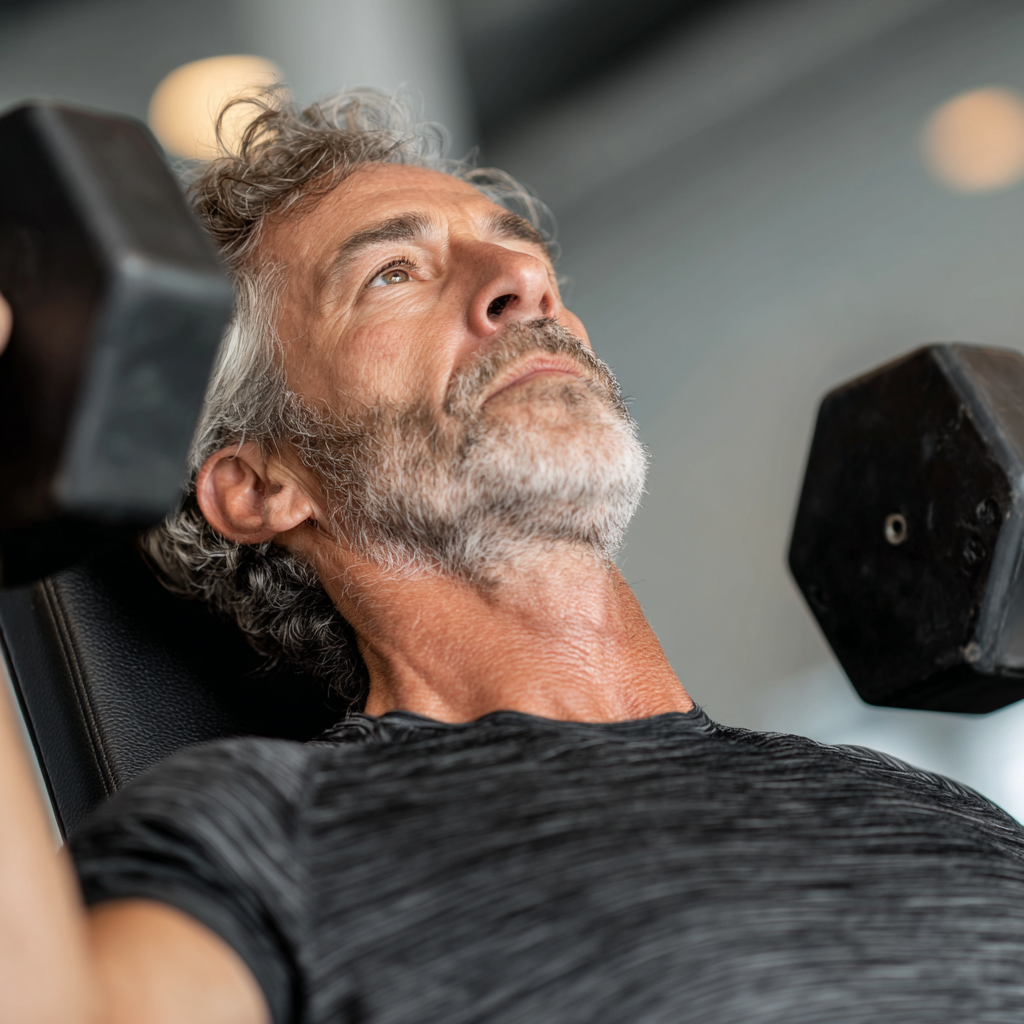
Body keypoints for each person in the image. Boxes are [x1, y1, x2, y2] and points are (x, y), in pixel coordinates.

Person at [2, 89, 1024, 1024]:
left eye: (522, 252)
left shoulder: (937, 809)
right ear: (261, 485)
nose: (521, 281)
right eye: (393, 273)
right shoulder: (275, 831)